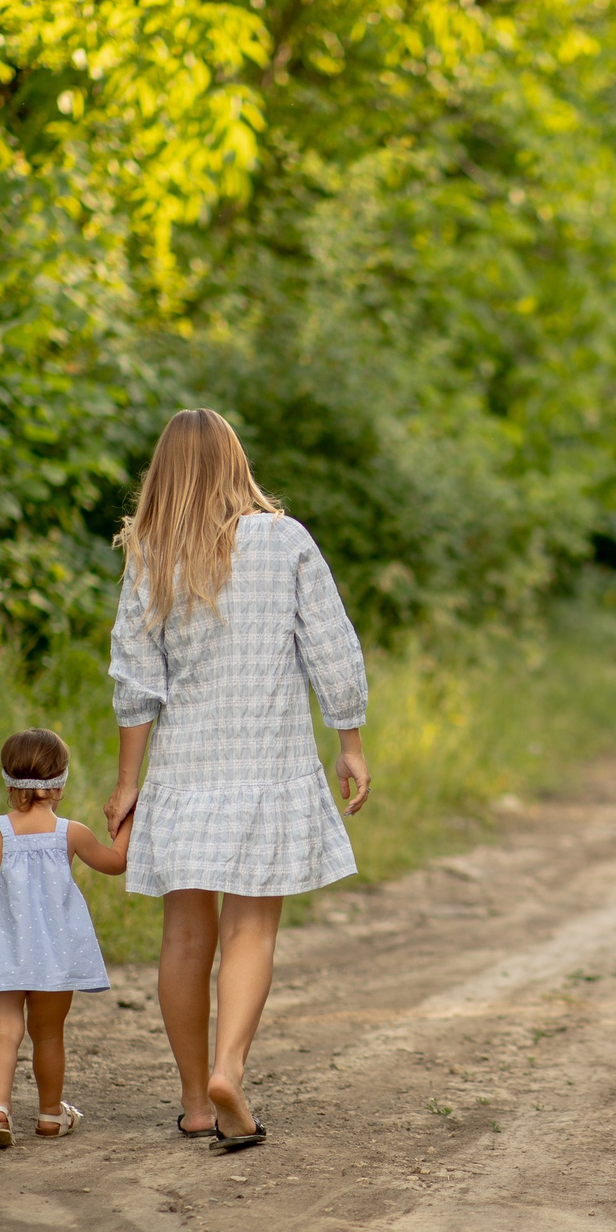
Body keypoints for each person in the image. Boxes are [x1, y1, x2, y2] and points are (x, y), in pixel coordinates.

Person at [104, 409, 370, 1151]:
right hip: (269, 767)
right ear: (235, 463)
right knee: (252, 926)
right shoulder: (285, 540)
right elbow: (332, 647)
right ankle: (230, 1069)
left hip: (185, 773)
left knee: (186, 936)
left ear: (165, 472)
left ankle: (195, 1100)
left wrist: (129, 782)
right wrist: (348, 741)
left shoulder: (152, 552)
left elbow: (135, 679)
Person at [0, 727, 128, 1148]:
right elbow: (115, 863)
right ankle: (50, 1115)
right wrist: (128, 820)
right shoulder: (70, 832)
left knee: (3, 1032)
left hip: (2, 952)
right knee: (49, 1034)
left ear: (8, 780)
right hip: (54, 956)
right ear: (60, 783)